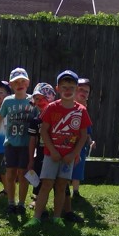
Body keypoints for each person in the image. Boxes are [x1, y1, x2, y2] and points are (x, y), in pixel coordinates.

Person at [27, 70, 91, 226]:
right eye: (64, 87)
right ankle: (36, 218)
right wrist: (53, 151)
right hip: (51, 155)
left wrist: (73, 154)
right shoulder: (51, 108)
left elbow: (83, 136)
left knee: (62, 186)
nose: (67, 90)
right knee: (46, 185)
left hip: (68, 157)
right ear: (57, 89)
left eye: (71, 87)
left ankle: (57, 218)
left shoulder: (81, 111)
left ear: (76, 89)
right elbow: (44, 131)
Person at [0, 68, 36, 216]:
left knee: (23, 175)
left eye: (22, 81)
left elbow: (39, 120)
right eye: (16, 82)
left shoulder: (33, 101)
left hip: (26, 145)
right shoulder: (8, 101)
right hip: (11, 144)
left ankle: (21, 204)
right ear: (11, 85)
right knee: (10, 174)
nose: (19, 84)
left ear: (28, 83)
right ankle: (11, 203)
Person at [26, 82, 56, 213]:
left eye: (43, 98)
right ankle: (37, 198)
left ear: (50, 98)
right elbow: (32, 140)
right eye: (36, 99)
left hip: (56, 153)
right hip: (41, 153)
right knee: (38, 177)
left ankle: (61, 202)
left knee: (57, 180)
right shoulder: (35, 120)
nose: (39, 102)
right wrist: (31, 159)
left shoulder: (57, 119)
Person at [70, 77, 96, 203]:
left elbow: (87, 130)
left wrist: (90, 141)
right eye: (81, 89)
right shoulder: (67, 106)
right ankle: (63, 189)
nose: (84, 93)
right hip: (67, 144)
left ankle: (75, 191)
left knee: (78, 168)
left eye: (87, 91)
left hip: (80, 146)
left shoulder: (84, 110)